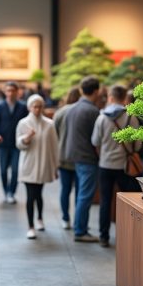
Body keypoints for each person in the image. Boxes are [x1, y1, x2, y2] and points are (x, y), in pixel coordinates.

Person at [91, 85, 141, 247]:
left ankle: (104, 236)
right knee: (129, 200)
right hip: (125, 166)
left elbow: (95, 142)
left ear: (110, 97)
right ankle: (129, 234)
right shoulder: (131, 118)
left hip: (105, 164)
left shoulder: (101, 118)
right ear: (125, 99)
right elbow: (138, 145)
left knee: (105, 200)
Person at [64, 76, 102, 242]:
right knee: (85, 195)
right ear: (96, 91)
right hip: (87, 157)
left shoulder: (72, 108)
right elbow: (96, 139)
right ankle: (80, 231)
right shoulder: (92, 111)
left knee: (81, 194)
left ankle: (81, 226)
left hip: (75, 155)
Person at [16, 94, 59, 240]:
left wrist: (55, 166)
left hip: (43, 164)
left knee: (39, 194)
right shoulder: (23, 123)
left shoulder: (49, 124)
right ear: (29, 107)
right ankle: (30, 226)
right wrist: (26, 138)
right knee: (30, 195)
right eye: (34, 106)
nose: (37, 109)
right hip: (29, 164)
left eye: (40, 106)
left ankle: (40, 218)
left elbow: (54, 146)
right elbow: (19, 144)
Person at [0, 81, 29, 204]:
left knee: (15, 170)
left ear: (17, 92)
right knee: (3, 170)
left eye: (13, 90)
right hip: (3, 143)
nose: (10, 93)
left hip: (17, 144)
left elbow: (27, 123)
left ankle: (11, 192)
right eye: (8, 90)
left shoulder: (23, 107)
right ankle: (6, 191)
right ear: (5, 92)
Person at [53, 87, 81, 229]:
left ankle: (65, 218)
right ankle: (78, 219)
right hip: (79, 158)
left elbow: (54, 136)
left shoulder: (60, 112)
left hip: (63, 156)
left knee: (65, 189)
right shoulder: (82, 111)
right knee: (79, 191)